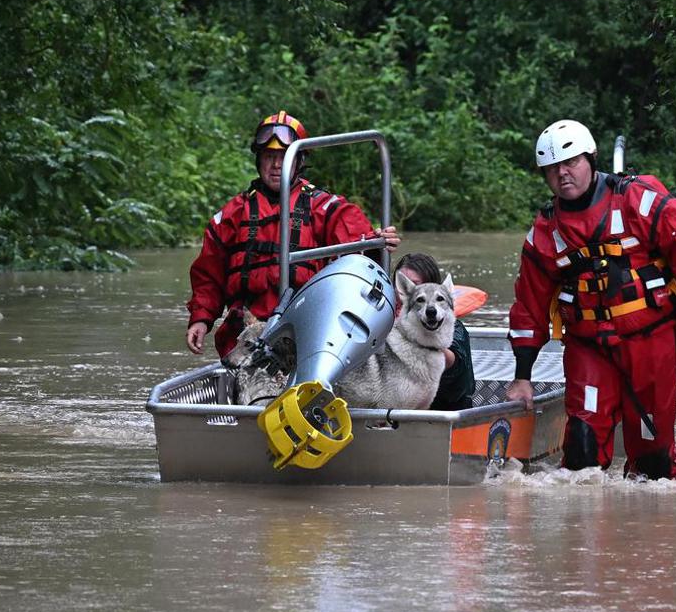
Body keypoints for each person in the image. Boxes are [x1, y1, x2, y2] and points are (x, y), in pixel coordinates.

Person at [504, 119, 676, 479]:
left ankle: (647, 510)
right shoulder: (546, 231)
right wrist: (522, 377)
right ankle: (585, 514)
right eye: (552, 169)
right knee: (582, 449)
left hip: (651, 339)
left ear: (590, 158)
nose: (562, 174)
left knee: (653, 461)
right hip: (590, 347)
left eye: (571, 162)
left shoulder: (638, 199)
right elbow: (529, 306)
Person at [186, 111, 400, 359]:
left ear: (298, 161)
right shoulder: (231, 215)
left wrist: (377, 241)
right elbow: (208, 275)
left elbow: (360, 256)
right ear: (258, 160)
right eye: (269, 157)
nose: (276, 165)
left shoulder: (326, 208)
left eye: (283, 157)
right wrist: (200, 319)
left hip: (307, 332)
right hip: (244, 335)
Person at [393, 251, 475, 410]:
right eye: (403, 285)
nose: (407, 290)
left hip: (444, 412)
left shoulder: (456, 329)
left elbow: (452, 361)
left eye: (414, 285)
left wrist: (415, 338)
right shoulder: (384, 321)